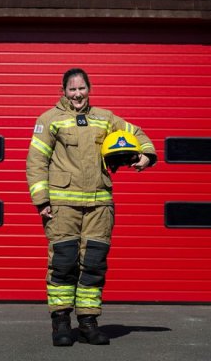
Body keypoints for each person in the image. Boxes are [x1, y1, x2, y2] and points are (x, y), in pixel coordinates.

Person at [26, 68, 157, 347]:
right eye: (72, 89)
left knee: (94, 264)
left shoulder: (105, 118)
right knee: (63, 263)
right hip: (63, 206)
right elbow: (36, 162)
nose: (77, 94)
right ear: (63, 91)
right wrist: (42, 201)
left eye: (82, 88)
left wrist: (147, 154)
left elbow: (136, 132)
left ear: (89, 89)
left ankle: (88, 322)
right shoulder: (49, 120)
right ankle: (61, 321)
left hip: (99, 205)